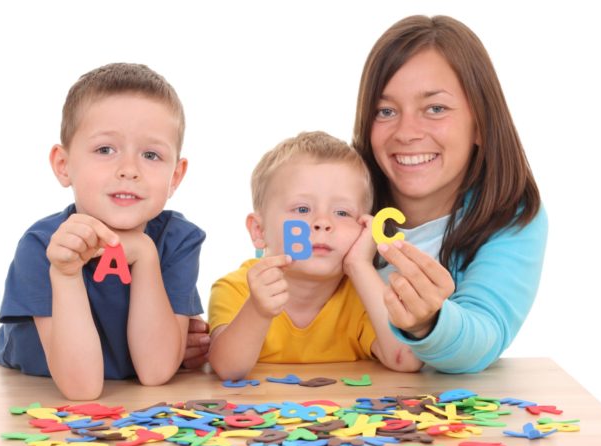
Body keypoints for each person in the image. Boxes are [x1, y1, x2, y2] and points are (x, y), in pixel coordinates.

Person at [0, 63, 205, 399]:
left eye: (151, 154)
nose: (129, 170)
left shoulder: (180, 240)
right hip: (32, 395)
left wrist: (145, 254)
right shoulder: (42, 245)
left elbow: (155, 371)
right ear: (64, 166)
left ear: (175, 177)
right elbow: (82, 389)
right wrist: (64, 274)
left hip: (132, 400)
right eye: (105, 150)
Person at [351, 15, 548, 373]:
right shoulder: (334, 199)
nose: (407, 132)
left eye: (436, 108)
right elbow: (279, 273)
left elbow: (484, 337)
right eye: (386, 111)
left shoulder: (511, 219)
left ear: (481, 125)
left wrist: (428, 322)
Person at [207, 131, 422, 380]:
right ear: (259, 230)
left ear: (364, 227)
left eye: (342, 213)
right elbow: (227, 368)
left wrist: (360, 265)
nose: (322, 223)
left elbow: (405, 359)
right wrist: (258, 309)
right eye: (302, 209)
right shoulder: (235, 289)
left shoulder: (362, 296)